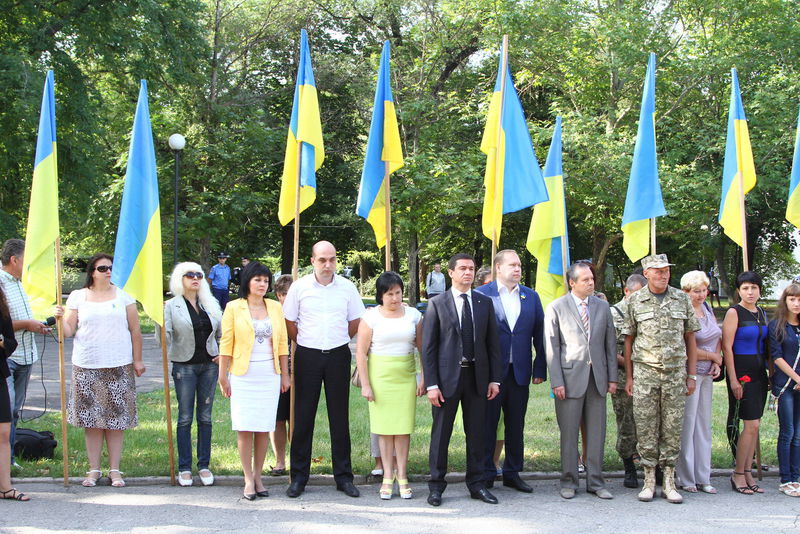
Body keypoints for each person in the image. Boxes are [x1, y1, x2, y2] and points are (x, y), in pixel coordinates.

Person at [54, 253, 145, 488]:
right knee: (92, 421)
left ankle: (115, 470)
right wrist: (60, 318)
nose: (107, 272)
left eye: (110, 268)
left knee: (116, 421)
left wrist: (137, 360)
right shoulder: (78, 296)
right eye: (102, 268)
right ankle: (94, 469)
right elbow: (68, 331)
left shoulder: (124, 296)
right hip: (87, 365)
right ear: (92, 272)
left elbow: (135, 330)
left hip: (119, 364)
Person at [283, 241, 365, 498]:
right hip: (307, 356)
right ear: (312, 261)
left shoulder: (348, 287)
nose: (328, 264)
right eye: (322, 260)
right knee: (303, 417)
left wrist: (339, 337)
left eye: (332, 259)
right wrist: (307, 341)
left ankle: (343, 477)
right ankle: (298, 478)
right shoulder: (299, 287)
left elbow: (355, 321)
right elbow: (289, 322)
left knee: (339, 418)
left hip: (338, 355)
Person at [422, 253, 502, 507]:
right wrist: (432, 384)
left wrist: (494, 380)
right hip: (446, 381)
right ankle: (436, 486)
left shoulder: (484, 302)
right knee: (441, 435)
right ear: (451, 272)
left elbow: (493, 345)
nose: (468, 273)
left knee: (477, 434)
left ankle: (477, 484)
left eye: (471, 268)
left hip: (477, 378)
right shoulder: (437, 303)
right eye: (463, 269)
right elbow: (429, 348)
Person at [623, 254, 698, 504]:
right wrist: (630, 377)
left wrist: (691, 375)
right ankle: (647, 479)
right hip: (645, 375)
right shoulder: (634, 301)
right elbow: (629, 339)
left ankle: (669, 480)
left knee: (672, 428)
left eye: (666, 271)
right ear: (646, 274)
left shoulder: (681, 298)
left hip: (675, 375)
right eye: (657, 271)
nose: (663, 275)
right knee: (645, 428)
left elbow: (690, 338)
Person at [474, 250, 546, 493]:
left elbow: (540, 334)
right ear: (498, 268)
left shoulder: (531, 296)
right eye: (512, 265)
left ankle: (512, 473)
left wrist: (540, 367)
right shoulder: (482, 295)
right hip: (491, 376)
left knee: (516, 425)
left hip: (520, 373)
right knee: (487, 425)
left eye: (519, 265)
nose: (517, 269)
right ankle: (485, 473)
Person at [545, 262, 617, 500]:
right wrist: (557, 381)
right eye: (585, 279)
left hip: (597, 380)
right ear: (572, 283)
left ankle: (596, 481)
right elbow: (552, 348)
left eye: (592, 279)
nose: (590, 282)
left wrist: (612, 379)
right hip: (568, 379)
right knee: (569, 434)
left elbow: (609, 346)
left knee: (597, 433)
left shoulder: (603, 307)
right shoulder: (556, 307)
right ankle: (568, 481)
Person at [218, 262, 289, 500]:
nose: (262, 284)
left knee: (263, 428)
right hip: (242, 375)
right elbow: (226, 342)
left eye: (266, 280)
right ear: (247, 281)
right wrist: (222, 374)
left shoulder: (275, 307)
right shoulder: (233, 307)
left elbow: (282, 344)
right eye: (258, 279)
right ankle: (248, 478)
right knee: (245, 427)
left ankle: (258, 476)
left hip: (270, 375)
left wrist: (285, 374)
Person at [356, 271, 424, 500]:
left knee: (403, 429)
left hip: (405, 376)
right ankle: (387, 476)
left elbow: (423, 349)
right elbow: (361, 354)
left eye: (398, 293)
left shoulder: (414, 315)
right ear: (380, 295)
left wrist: (423, 377)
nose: (395, 298)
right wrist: (366, 384)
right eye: (389, 294)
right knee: (384, 430)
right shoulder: (370, 317)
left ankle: (402, 475)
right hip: (379, 378)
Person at [163, 262, 222, 487]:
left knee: (205, 417)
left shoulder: (210, 304)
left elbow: (221, 333)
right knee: (185, 417)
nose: (195, 278)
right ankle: (185, 467)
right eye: (190, 275)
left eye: (199, 275)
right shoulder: (171, 305)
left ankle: (204, 465)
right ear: (181, 279)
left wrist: (221, 353)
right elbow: (165, 337)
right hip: (184, 366)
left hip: (209, 365)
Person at [0, 239, 51, 470]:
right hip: (7, 357)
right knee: (5, 410)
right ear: (14, 260)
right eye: (26, 260)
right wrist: (27, 324)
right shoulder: (1, 282)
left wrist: (36, 324)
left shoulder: (19, 283)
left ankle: (9, 460)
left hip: (26, 356)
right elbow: (5, 324)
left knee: (14, 411)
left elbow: (18, 318)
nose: (28, 265)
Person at [722, 271, 768, 495]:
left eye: (754, 288)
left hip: (760, 375)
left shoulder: (761, 313)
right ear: (739, 291)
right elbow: (727, 347)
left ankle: (748, 471)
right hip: (743, 374)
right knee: (750, 426)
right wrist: (733, 379)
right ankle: (738, 473)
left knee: (755, 426)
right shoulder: (734, 312)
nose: (750, 292)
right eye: (745, 288)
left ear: (760, 290)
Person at [676, 271, 722, 494]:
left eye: (704, 290)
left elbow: (716, 336)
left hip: (708, 375)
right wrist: (711, 356)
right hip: (689, 374)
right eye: (697, 291)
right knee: (688, 425)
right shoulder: (684, 312)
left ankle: (704, 476)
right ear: (686, 292)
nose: (702, 294)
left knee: (703, 426)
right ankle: (686, 477)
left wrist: (717, 360)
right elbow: (686, 349)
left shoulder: (707, 308)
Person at [610, 273, 646, 488]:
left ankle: (652, 466)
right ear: (627, 292)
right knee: (627, 425)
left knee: (649, 425)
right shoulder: (613, 313)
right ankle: (629, 468)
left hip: (648, 377)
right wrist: (634, 363)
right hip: (623, 378)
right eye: (636, 294)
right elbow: (609, 350)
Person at [768, 283, 800, 497]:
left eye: (799, 300)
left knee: (799, 434)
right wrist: (797, 378)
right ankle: (786, 478)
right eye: (792, 299)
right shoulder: (777, 325)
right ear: (785, 301)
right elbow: (777, 357)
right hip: (785, 385)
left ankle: (796, 477)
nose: (796, 303)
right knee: (787, 431)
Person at [0, 283, 28, 500]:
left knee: (3, 432)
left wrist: (2, 343)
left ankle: (5, 487)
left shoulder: (1, 305)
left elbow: (11, 340)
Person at [269, 274, 293, 476]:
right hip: (275, 374)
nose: (288, 298)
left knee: (296, 418)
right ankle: (279, 460)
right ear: (278, 295)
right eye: (285, 294)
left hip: (300, 373)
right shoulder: (271, 315)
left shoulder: (304, 313)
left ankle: (298, 459)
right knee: (277, 419)